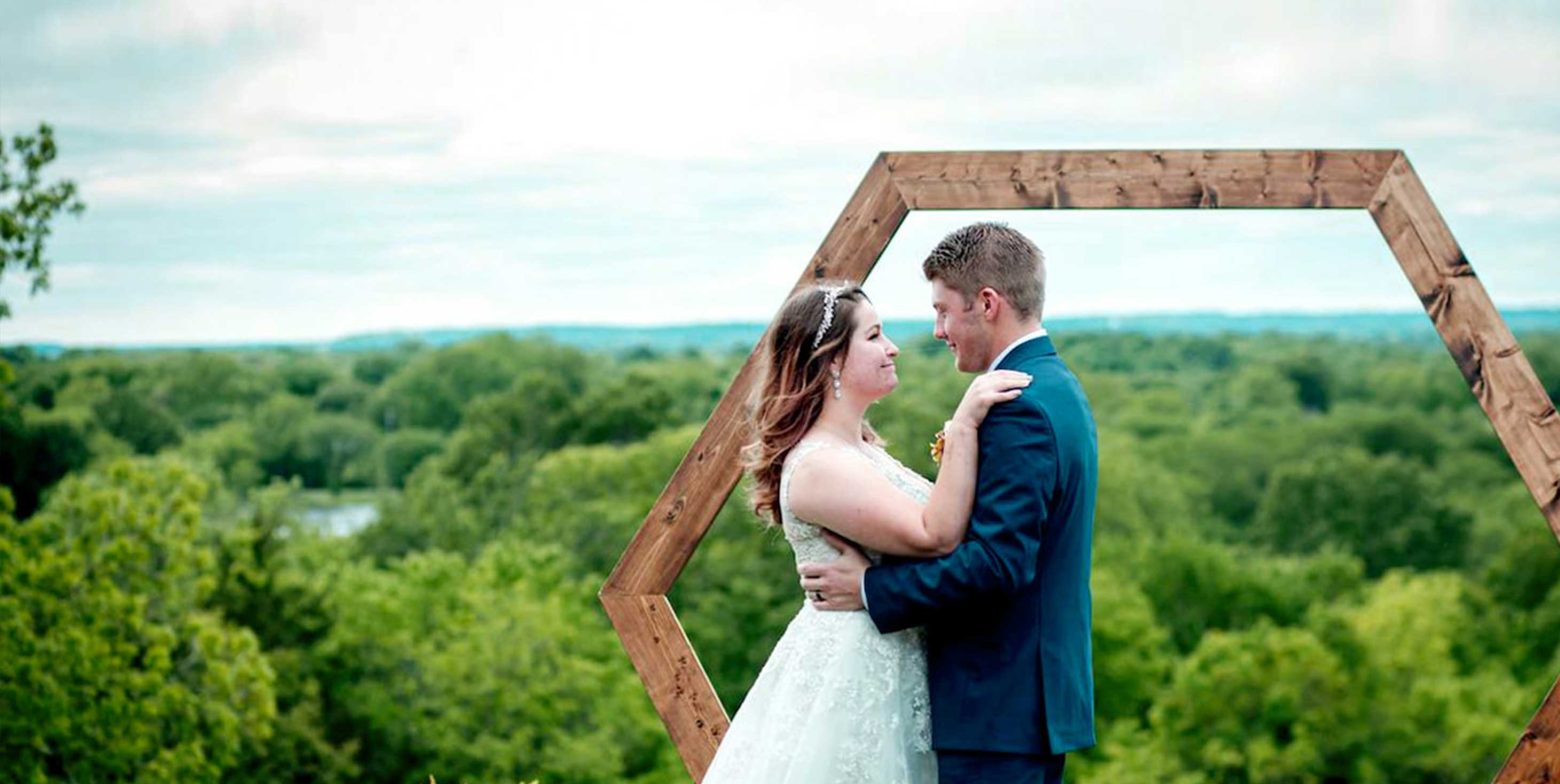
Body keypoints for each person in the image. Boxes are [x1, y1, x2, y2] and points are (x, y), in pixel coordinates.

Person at [800, 222, 1099, 784]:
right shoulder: (1054, 385)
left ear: (986, 303)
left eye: (943, 310)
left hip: (996, 703)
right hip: (1015, 706)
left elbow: (997, 564)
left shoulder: (1018, 405)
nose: (937, 330)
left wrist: (868, 589)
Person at [700, 280, 1030, 784]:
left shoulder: (858, 450)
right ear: (832, 360)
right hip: (854, 674)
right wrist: (962, 427)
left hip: (896, 660)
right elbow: (935, 535)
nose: (892, 347)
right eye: (875, 336)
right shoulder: (818, 465)